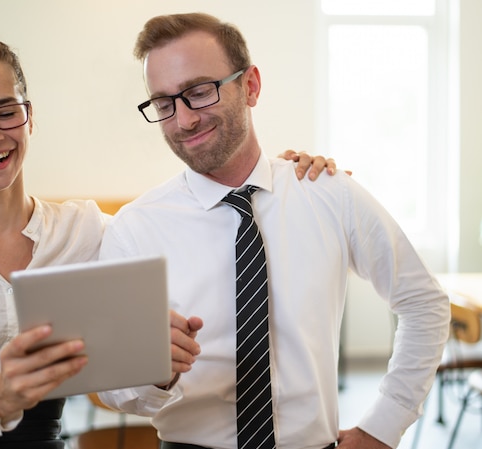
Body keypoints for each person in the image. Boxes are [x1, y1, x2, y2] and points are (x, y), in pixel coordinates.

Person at [0, 28, 336, 449]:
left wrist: (276, 178)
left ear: (29, 116)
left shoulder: (87, 230)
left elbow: (190, 224)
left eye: (6, 112)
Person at [97, 12, 451, 449]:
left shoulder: (328, 194)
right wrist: (155, 372)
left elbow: (423, 304)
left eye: (200, 92)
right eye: (164, 103)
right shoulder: (136, 228)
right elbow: (115, 392)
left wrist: (384, 425)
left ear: (250, 86)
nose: (183, 121)